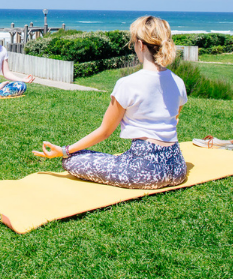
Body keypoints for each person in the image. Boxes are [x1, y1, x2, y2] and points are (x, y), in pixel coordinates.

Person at [33, 15, 187, 189]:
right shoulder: (178, 82)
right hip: (176, 167)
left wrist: (64, 151)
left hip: (146, 171)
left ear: (141, 45)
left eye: (133, 42)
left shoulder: (128, 84)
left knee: (72, 160)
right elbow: (174, 120)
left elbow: (105, 131)